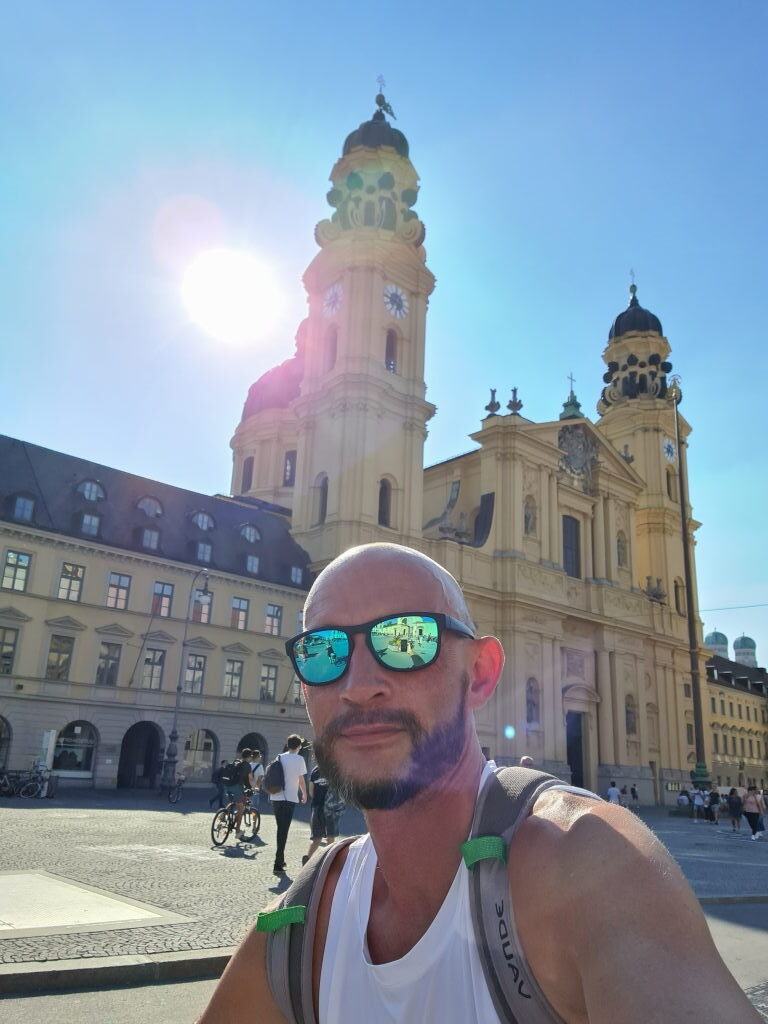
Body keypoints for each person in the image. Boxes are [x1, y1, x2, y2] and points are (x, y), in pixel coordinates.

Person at [200, 542, 759, 1023]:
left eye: (406, 640)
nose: (358, 685)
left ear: (482, 674)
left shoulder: (586, 864)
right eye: (324, 653)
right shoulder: (305, 919)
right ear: (304, 689)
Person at [269, 734, 307, 875]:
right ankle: (278, 863)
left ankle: (281, 860)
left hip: (275, 796)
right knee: (283, 830)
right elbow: (301, 779)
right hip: (289, 798)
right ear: (298, 746)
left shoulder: (279, 757)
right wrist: (304, 793)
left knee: (281, 828)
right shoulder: (299, 759)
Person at [224, 748, 254, 840]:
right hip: (237, 787)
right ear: (249, 757)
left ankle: (222, 815)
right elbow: (249, 779)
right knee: (240, 809)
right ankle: (237, 832)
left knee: (232, 803)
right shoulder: (247, 765)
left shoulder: (236, 763)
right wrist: (252, 788)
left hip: (227, 786)